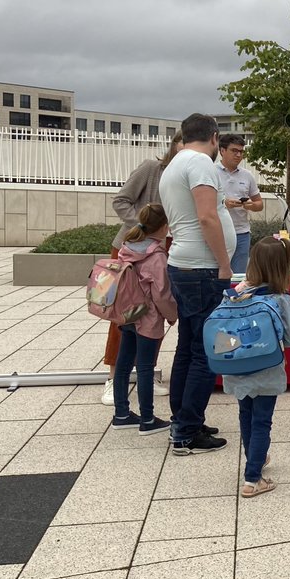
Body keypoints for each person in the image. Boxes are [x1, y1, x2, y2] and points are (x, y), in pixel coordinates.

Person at [159, 113, 234, 456]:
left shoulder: (175, 164)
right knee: (206, 351)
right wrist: (224, 263)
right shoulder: (201, 164)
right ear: (215, 138)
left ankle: (184, 418)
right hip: (203, 268)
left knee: (188, 347)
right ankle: (187, 432)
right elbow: (207, 217)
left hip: (183, 265)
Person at [101, 133, 182, 405]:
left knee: (154, 312)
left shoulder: (189, 175)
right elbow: (120, 200)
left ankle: (148, 371)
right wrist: (145, 224)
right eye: (184, 144)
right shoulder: (152, 169)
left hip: (166, 249)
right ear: (174, 144)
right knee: (124, 313)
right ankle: (114, 377)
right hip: (133, 249)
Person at [226, 237, 290, 498]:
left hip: (237, 366)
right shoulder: (281, 299)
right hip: (267, 368)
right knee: (262, 421)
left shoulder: (238, 291)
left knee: (246, 415)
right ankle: (253, 478)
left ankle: (255, 459)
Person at [109, 203, 178, 436]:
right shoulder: (156, 256)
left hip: (127, 314)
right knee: (146, 367)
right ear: (163, 227)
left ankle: (121, 414)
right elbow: (161, 293)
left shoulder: (126, 248)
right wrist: (172, 315)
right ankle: (147, 419)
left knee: (124, 364)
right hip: (147, 318)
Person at [216, 134, 264, 274]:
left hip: (241, 233)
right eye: (234, 151)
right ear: (222, 151)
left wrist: (251, 205)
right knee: (218, 274)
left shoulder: (247, 175)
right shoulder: (211, 172)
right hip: (219, 232)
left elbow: (259, 203)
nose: (238, 155)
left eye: (241, 152)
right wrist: (224, 203)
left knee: (238, 276)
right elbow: (202, 202)